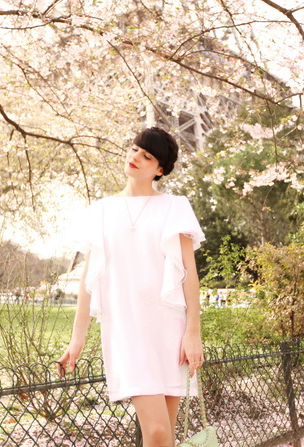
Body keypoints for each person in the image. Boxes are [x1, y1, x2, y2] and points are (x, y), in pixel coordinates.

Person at [57, 127, 205, 447]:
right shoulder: (101, 211)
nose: (135, 157)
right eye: (135, 149)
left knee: (164, 433)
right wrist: (76, 339)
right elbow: (88, 279)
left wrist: (193, 332)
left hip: (170, 329)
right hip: (127, 329)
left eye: (147, 156)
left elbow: (189, 273)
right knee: (155, 431)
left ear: (160, 169)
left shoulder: (175, 207)